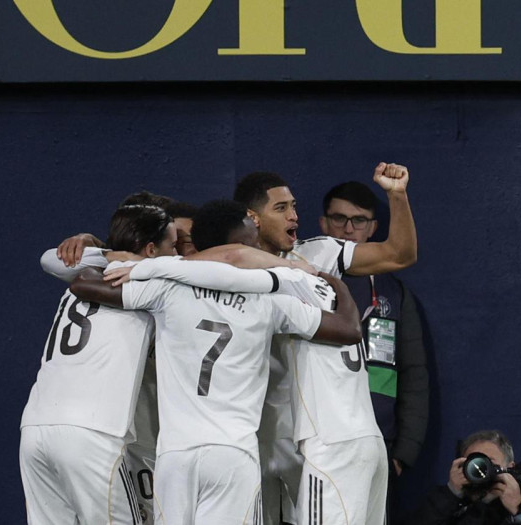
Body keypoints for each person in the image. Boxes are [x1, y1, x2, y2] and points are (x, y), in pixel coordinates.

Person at [69, 200, 363, 524]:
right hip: (232, 454)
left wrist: (113, 257)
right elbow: (348, 330)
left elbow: (82, 284)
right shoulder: (270, 299)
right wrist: (338, 285)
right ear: (242, 241)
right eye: (252, 234)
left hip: (174, 457)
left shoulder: (166, 289)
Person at [233, 163, 417, 525]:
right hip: (268, 436)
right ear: (252, 217)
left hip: (319, 435)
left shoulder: (318, 255)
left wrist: (397, 196)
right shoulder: (227, 266)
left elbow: (400, 254)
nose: (295, 216)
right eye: (282, 208)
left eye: (295, 206)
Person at [20, 204, 176, 524]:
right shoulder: (148, 286)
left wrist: (94, 245)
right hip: (92, 431)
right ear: (150, 249)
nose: (177, 254)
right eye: (172, 246)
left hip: (35, 428)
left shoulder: (82, 272)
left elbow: (51, 258)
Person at [320, 181, 429, 503]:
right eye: (339, 219)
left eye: (359, 220)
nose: (348, 229)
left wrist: (402, 453)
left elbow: (414, 375)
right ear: (323, 223)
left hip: (379, 443)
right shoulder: (301, 279)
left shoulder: (393, 293)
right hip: (319, 441)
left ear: (373, 228)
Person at [408, 430, 521, 525]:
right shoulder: (450, 505)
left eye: (489, 463)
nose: (482, 471)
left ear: (509, 467)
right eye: (475, 463)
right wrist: (450, 494)